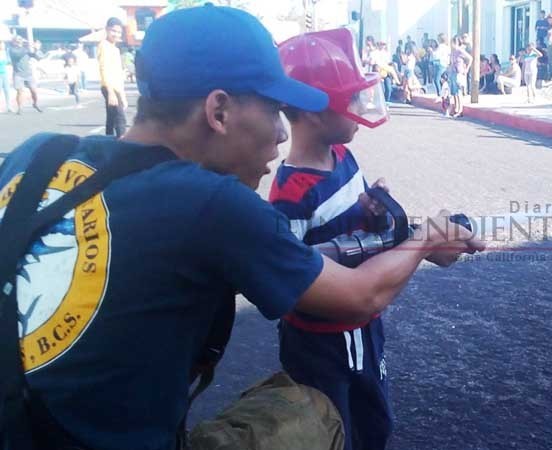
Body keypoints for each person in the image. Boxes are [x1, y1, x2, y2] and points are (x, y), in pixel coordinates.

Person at [0, 5, 482, 450]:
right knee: (311, 414)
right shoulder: (210, 204)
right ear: (219, 111)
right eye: (274, 110)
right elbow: (359, 296)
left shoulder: (38, 155)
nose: (280, 132)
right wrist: (424, 241)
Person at [275, 29, 400, 450]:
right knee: (329, 431)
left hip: (364, 330)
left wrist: (373, 211)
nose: (357, 110)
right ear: (312, 109)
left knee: (374, 424)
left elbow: (359, 215)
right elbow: (289, 282)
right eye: (349, 99)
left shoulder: (344, 157)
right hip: (317, 344)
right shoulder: (291, 192)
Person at [97, 17, 127, 137]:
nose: (116, 34)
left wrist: (123, 95)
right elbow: (103, 68)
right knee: (120, 119)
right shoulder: (104, 45)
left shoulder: (115, 49)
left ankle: (107, 143)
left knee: (111, 118)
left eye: (119, 32)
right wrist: (110, 92)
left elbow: (118, 73)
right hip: (109, 87)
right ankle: (123, 147)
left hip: (116, 88)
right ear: (107, 30)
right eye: (113, 31)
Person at [8, 35, 42, 114]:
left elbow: (38, 57)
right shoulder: (12, 50)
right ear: (13, 42)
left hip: (28, 74)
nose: (19, 42)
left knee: (34, 91)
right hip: (18, 74)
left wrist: (36, 49)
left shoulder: (25, 49)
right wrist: (28, 46)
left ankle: (35, 104)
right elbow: (18, 55)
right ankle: (20, 108)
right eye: (17, 40)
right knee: (20, 91)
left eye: (20, 40)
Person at [449, 35, 471, 117]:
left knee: (458, 92)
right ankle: (455, 108)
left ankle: (460, 109)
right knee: (454, 92)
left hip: (458, 72)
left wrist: (466, 69)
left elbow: (470, 58)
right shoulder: (452, 52)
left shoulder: (460, 51)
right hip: (452, 72)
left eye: (452, 43)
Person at [0, 41, 11, 113]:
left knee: (7, 91)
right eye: (1, 45)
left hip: (5, 73)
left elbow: (9, 62)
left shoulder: (6, 53)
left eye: (3, 45)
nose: (2, 46)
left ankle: (8, 107)